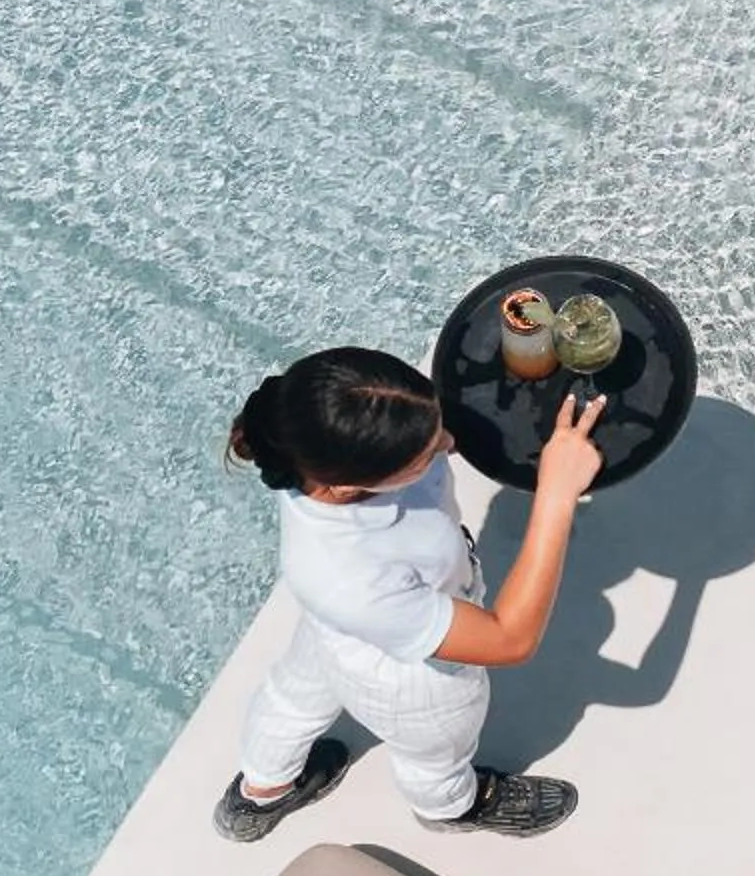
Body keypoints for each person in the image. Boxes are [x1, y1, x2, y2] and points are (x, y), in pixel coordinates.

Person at [214, 345, 606, 841]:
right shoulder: (347, 571)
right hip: (413, 679)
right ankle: (451, 807)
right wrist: (556, 494)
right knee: (436, 753)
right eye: (424, 454)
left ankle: (260, 791)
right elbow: (510, 639)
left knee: (292, 697)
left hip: (334, 630)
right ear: (347, 485)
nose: (446, 442)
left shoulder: (328, 430)